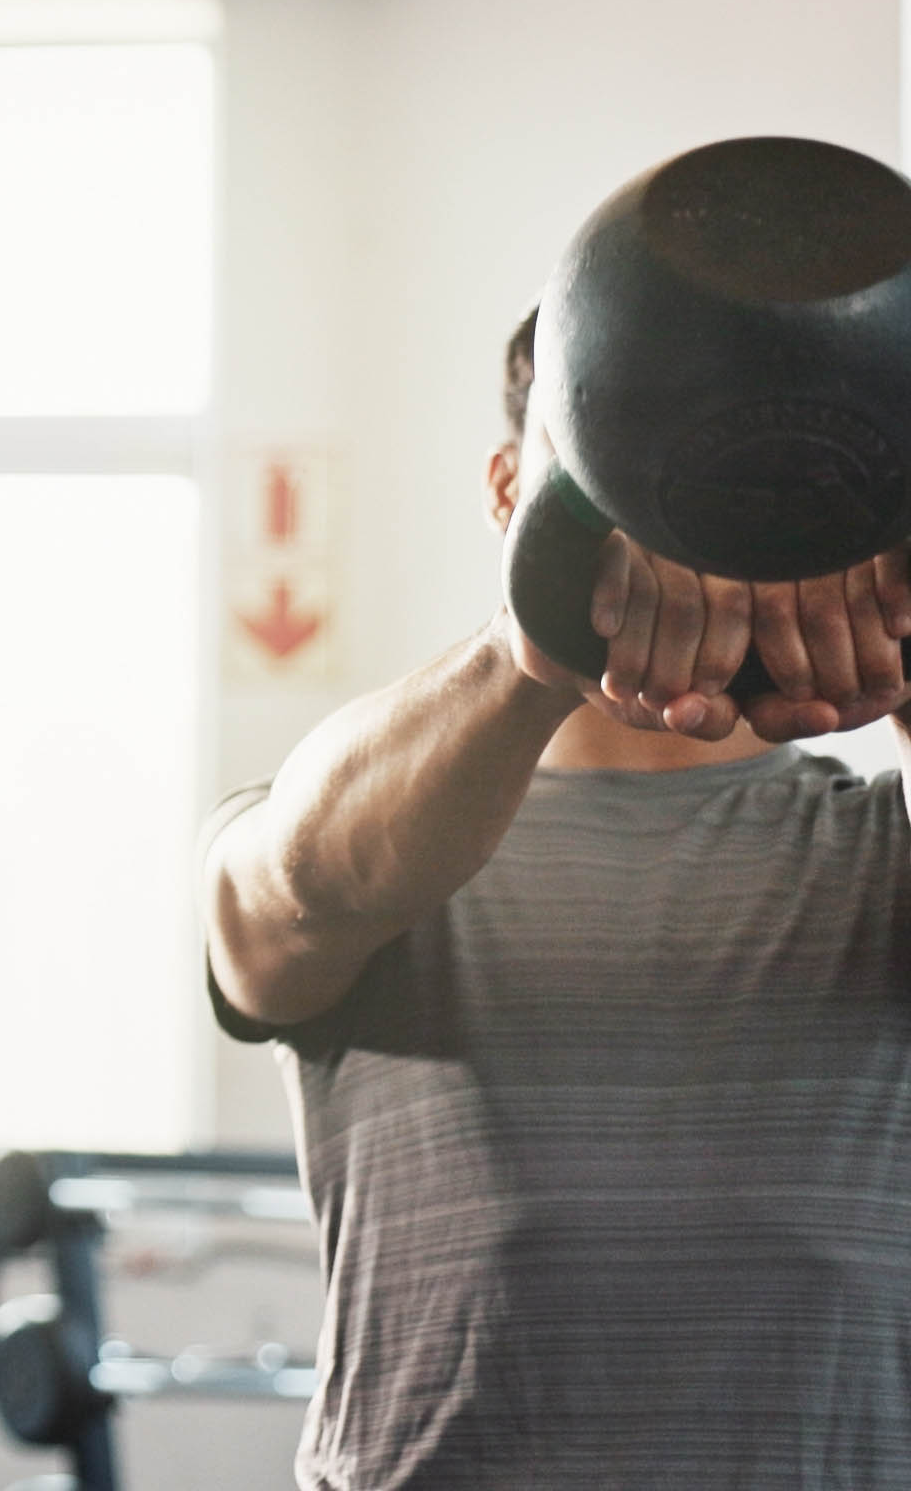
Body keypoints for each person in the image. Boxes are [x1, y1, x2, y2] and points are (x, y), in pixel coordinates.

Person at [203, 308, 911, 1487]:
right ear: (506, 491)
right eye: (612, 460)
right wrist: (534, 641)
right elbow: (289, 887)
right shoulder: (376, 837)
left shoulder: (879, 844)